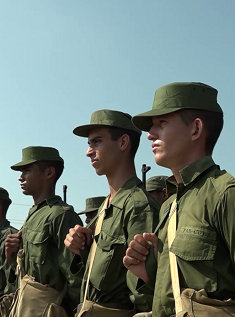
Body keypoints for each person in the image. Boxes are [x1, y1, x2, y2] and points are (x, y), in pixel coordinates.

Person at [123, 82, 235, 317]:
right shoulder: (171, 205)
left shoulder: (229, 196)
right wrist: (149, 270)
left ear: (195, 129)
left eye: (161, 123)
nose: (150, 134)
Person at [65, 109, 160, 316]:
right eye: (89, 144)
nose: (88, 152)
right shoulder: (107, 206)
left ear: (123, 143)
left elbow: (145, 297)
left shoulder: (137, 205)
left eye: (96, 142)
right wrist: (82, 249)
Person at [4, 146, 83, 316]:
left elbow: (75, 279)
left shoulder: (61, 215)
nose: (20, 177)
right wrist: (12, 257)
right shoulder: (33, 214)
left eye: (27, 170)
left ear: (49, 173)